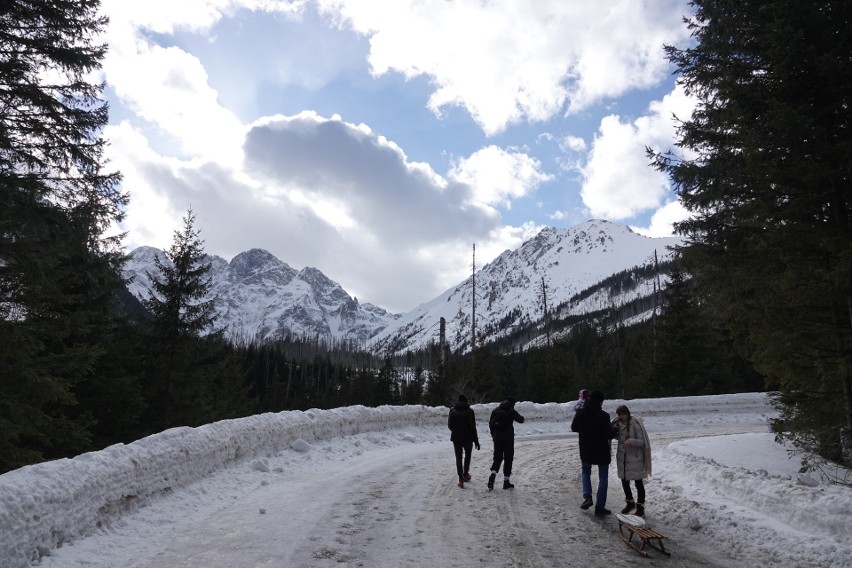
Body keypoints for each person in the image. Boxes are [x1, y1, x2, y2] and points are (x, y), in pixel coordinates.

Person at [570, 390, 616, 516]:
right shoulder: (604, 416)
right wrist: (614, 430)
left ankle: (587, 497)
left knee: (585, 472)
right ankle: (600, 507)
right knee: (603, 477)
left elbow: (574, 428)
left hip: (586, 449)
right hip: (601, 450)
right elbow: (608, 434)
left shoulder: (581, 412)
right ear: (601, 402)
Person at [614, 404, 652, 517]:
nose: (621, 417)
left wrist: (630, 441)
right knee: (624, 481)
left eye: (623, 414)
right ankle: (630, 502)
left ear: (627, 413)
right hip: (623, 458)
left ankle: (640, 507)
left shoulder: (635, 424)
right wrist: (615, 432)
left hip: (635, 458)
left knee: (638, 483)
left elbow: (641, 441)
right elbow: (620, 439)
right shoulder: (619, 424)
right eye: (619, 415)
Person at [487, 397, 525, 490]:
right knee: (508, 459)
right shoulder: (511, 410)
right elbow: (520, 420)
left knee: (497, 458)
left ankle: (493, 475)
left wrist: (493, 435)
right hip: (508, 439)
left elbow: (491, 424)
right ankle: (506, 482)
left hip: (497, 438)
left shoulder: (496, 410)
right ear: (512, 403)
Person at [448, 394, 480, 488]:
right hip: (468, 437)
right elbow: (473, 427)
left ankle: (460, 478)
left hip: (456, 437)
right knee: (468, 455)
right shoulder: (470, 412)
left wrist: (455, 431)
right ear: (466, 401)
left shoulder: (452, 411)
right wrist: (476, 441)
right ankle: (466, 474)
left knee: (458, 457)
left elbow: (450, 425)